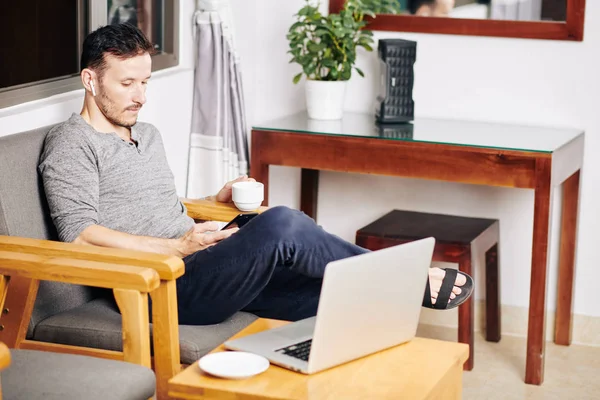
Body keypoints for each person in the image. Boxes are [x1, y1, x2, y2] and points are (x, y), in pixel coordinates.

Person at [38, 23, 472, 325]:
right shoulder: (70, 143)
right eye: (127, 84)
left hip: (201, 259)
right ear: (90, 81)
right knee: (282, 223)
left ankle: (393, 292)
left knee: (321, 277)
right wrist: (176, 245)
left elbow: (153, 206)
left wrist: (217, 199)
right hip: (161, 285)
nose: (140, 97)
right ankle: (410, 275)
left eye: (146, 83)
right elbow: (79, 235)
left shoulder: (145, 134)